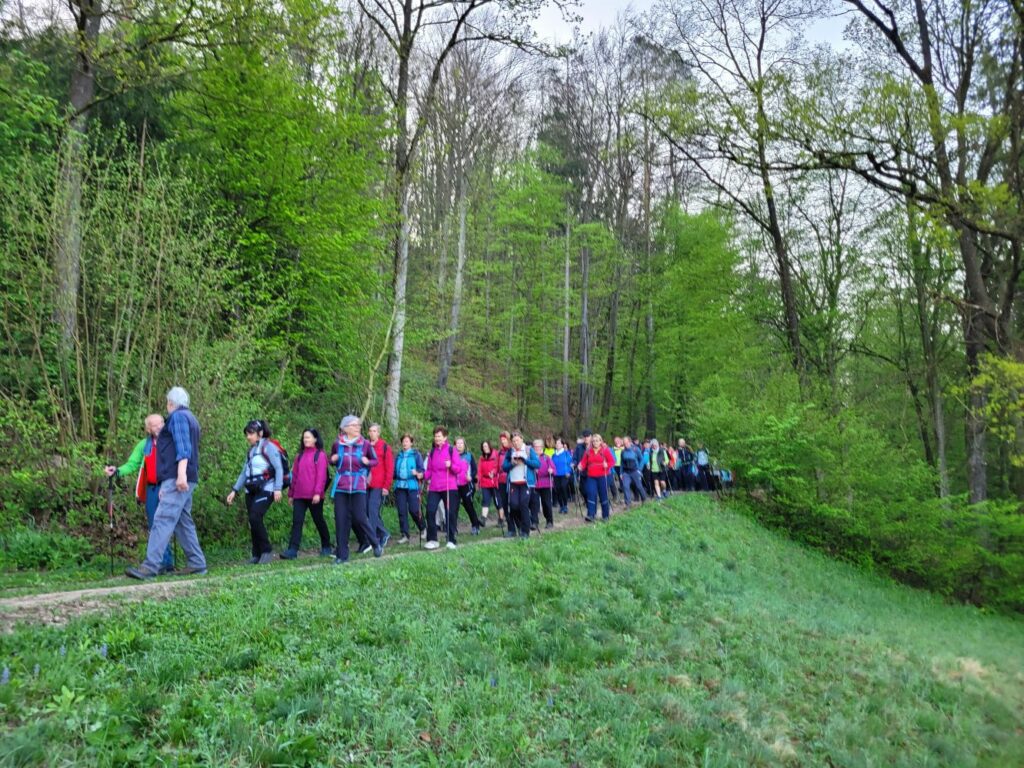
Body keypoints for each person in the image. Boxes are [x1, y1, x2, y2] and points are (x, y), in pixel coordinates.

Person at [125, 387, 207, 579]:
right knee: (182, 521)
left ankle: (150, 566)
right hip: (188, 476)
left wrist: (179, 475)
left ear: (171, 403)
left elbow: (183, 447)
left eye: (167, 403)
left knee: (162, 519)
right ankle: (196, 563)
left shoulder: (177, 417)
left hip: (178, 477)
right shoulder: (191, 418)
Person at [106, 413, 174, 573]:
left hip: (167, 486)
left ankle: (166, 563)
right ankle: (161, 562)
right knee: (153, 524)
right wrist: (116, 471)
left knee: (165, 524)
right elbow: (132, 464)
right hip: (151, 488)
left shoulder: (170, 442)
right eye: (155, 425)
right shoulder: (144, 445)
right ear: (148, 428)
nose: (159, 427)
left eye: (161, 423)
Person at [226, 420, 284, 564]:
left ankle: (267, 550)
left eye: (251, 433)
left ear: (260, 433)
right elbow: (244, 473)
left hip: (267, 488)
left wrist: (277, 488)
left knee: (255, 517)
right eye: (247, 434)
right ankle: (256, 554)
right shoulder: (251, 451)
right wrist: (234, 490)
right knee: (253, 522)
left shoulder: (269, 447)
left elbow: (278, 468)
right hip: (250, 489)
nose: (248, 437)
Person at [330, 415, 381, 563]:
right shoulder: (337, 444)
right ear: (345, 428)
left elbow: (375, 461)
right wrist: (332, 459)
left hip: (358, 485)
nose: (358, 428)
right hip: (341, 486)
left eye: (359, 425)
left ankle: (375, 543)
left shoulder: (365, 444)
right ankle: (342, 555)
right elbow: (331, 459)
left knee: (359, 517)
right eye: (354, 425)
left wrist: (367, 461)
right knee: (341, 519)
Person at [282, 428, 333, 559]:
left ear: (315, 439)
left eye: (308, 437)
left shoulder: (320, 455)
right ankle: (292, 550)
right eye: (304, 437)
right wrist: (291, 494)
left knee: (318, 520)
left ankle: (326, 545)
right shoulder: (299, 456)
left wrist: (317, 493)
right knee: (297, 521)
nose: (306, 440)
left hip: (314, 495)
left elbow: (321, 476)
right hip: (299, 494)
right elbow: (295, 476)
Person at [423, 426, 466, 549]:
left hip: (449, 486)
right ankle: (432, 540)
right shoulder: (432, 452)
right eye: (435, 436)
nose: (437, 439)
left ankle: (451, 539)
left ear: (445, 437)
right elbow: (429, 470)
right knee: (430, 511)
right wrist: (422, 476)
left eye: (439, 436)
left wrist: (450, 465)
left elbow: (458, 469)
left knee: (450, 513)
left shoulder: (452, 450)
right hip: (434, 487)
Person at [502, 432, 540, 538]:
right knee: (513, 506)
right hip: (513, 483)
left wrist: (525, 461)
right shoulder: (510, 451)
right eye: (513, 441)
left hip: (526, 483)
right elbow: (504, 467)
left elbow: (537, 464)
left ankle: (525, 532)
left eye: (517, 440)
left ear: (522, 440)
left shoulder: (528, 450)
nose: (515, 443)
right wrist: (512, 464)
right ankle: (519, 526)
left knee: (523, 505)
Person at [392, 434, 425, 543]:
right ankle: (405, 534)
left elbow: (422, 470)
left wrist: (417, 473)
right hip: (400, 486)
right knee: (401, 510)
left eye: (407, 441)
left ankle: (423, 527)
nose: (405, 443)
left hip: (412, 485)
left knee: (414, 509)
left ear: (411, 443)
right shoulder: (399, 456)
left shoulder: (416, 455)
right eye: (403, 441)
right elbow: (394, 472)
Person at [366, 423, 394, 549]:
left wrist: (386, 486)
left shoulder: (384, 447)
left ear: (378, 433)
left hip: (379, 484)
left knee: (372, 510)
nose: (372, 433)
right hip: (366, 484)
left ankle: (373, 539)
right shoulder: (365, 446)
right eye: (370, 431)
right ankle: (383, 533)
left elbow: (389, 468)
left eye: (374, 431)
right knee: (366, 510)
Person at [579, 433, 615, 521]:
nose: (595, 442)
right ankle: (591, 515)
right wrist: (580, 466)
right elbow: (583, 462)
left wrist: (607, 465)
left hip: (602, 476)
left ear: (600, 441)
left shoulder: (605, 450)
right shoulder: (588, 451)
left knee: (603, 494)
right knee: (591, 494)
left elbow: (612, 461)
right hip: (591, 477)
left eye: (597, 441)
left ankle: (605, 515)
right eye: (593, 441)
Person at [454, 437, 485, 534]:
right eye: (457, 443)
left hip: (467, 484)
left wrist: (470, 476)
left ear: (464, 445)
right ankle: (453, 529)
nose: (459, 445)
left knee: (468, 505)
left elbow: (475, 469)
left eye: (461, 443)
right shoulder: (452, 456)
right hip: (454, 485)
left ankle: (475, 526)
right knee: (454, 507)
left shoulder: (468, 456)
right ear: (454, 445)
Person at [529, 438, 556, 529]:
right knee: (534, 503)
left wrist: (551, 470)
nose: (537, 448)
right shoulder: (530, 458)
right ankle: (534, 522)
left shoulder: (546, 457)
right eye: (535, 446)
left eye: (539, 446)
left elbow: (553, 468)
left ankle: (549, 521)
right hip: (534, 484)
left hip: (545, 483)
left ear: (542, 447)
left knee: (546, 503)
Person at [620, 436, 647, 507]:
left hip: (635, 471)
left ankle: (644, 499)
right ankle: (628, 504)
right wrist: (621, 473)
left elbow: (642, 460)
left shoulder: (636, 449)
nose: (625, 444)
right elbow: (622, 463)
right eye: (624, 443)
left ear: (630, 442)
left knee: (638, 486)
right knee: (625, 486)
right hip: (626, 472)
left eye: (626, 442)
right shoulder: (623, 452)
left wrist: (640, 470)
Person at [478, 440, 501, 524]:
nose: (485, 448)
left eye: (486, 446)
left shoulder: (495, 454)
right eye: (483, 446)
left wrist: (494, 472)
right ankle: (483, 519)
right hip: (485, 482)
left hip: (494, 481)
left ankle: (501, 519)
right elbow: (479, 470)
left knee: (497, 501)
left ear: (489, 446)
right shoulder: (481, 458)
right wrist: (479, 481)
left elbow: (498, 466)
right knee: (485, 500)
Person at [495, 431, 513, 531]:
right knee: (504, 503)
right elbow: (496, 466)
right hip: (501, 480)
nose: (503, 441)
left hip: (511, 479)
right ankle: (510, 525)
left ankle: (516, 522)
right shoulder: (500, 452)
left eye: (504, 439)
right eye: (501, 440)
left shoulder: (512, 450)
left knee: (513, 503)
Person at [551, 437, 573, 515]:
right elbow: (552, 465)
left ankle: (565, 506)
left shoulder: (567, 454)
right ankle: (561, 506)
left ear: (563, 445)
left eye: (559, 443)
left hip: (564, 474)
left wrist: (569, 471)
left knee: (563, 488)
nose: (557, 445)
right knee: (558, 490)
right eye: (556, 443)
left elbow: (571, 464)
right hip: (556, 475)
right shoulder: (554, 455)